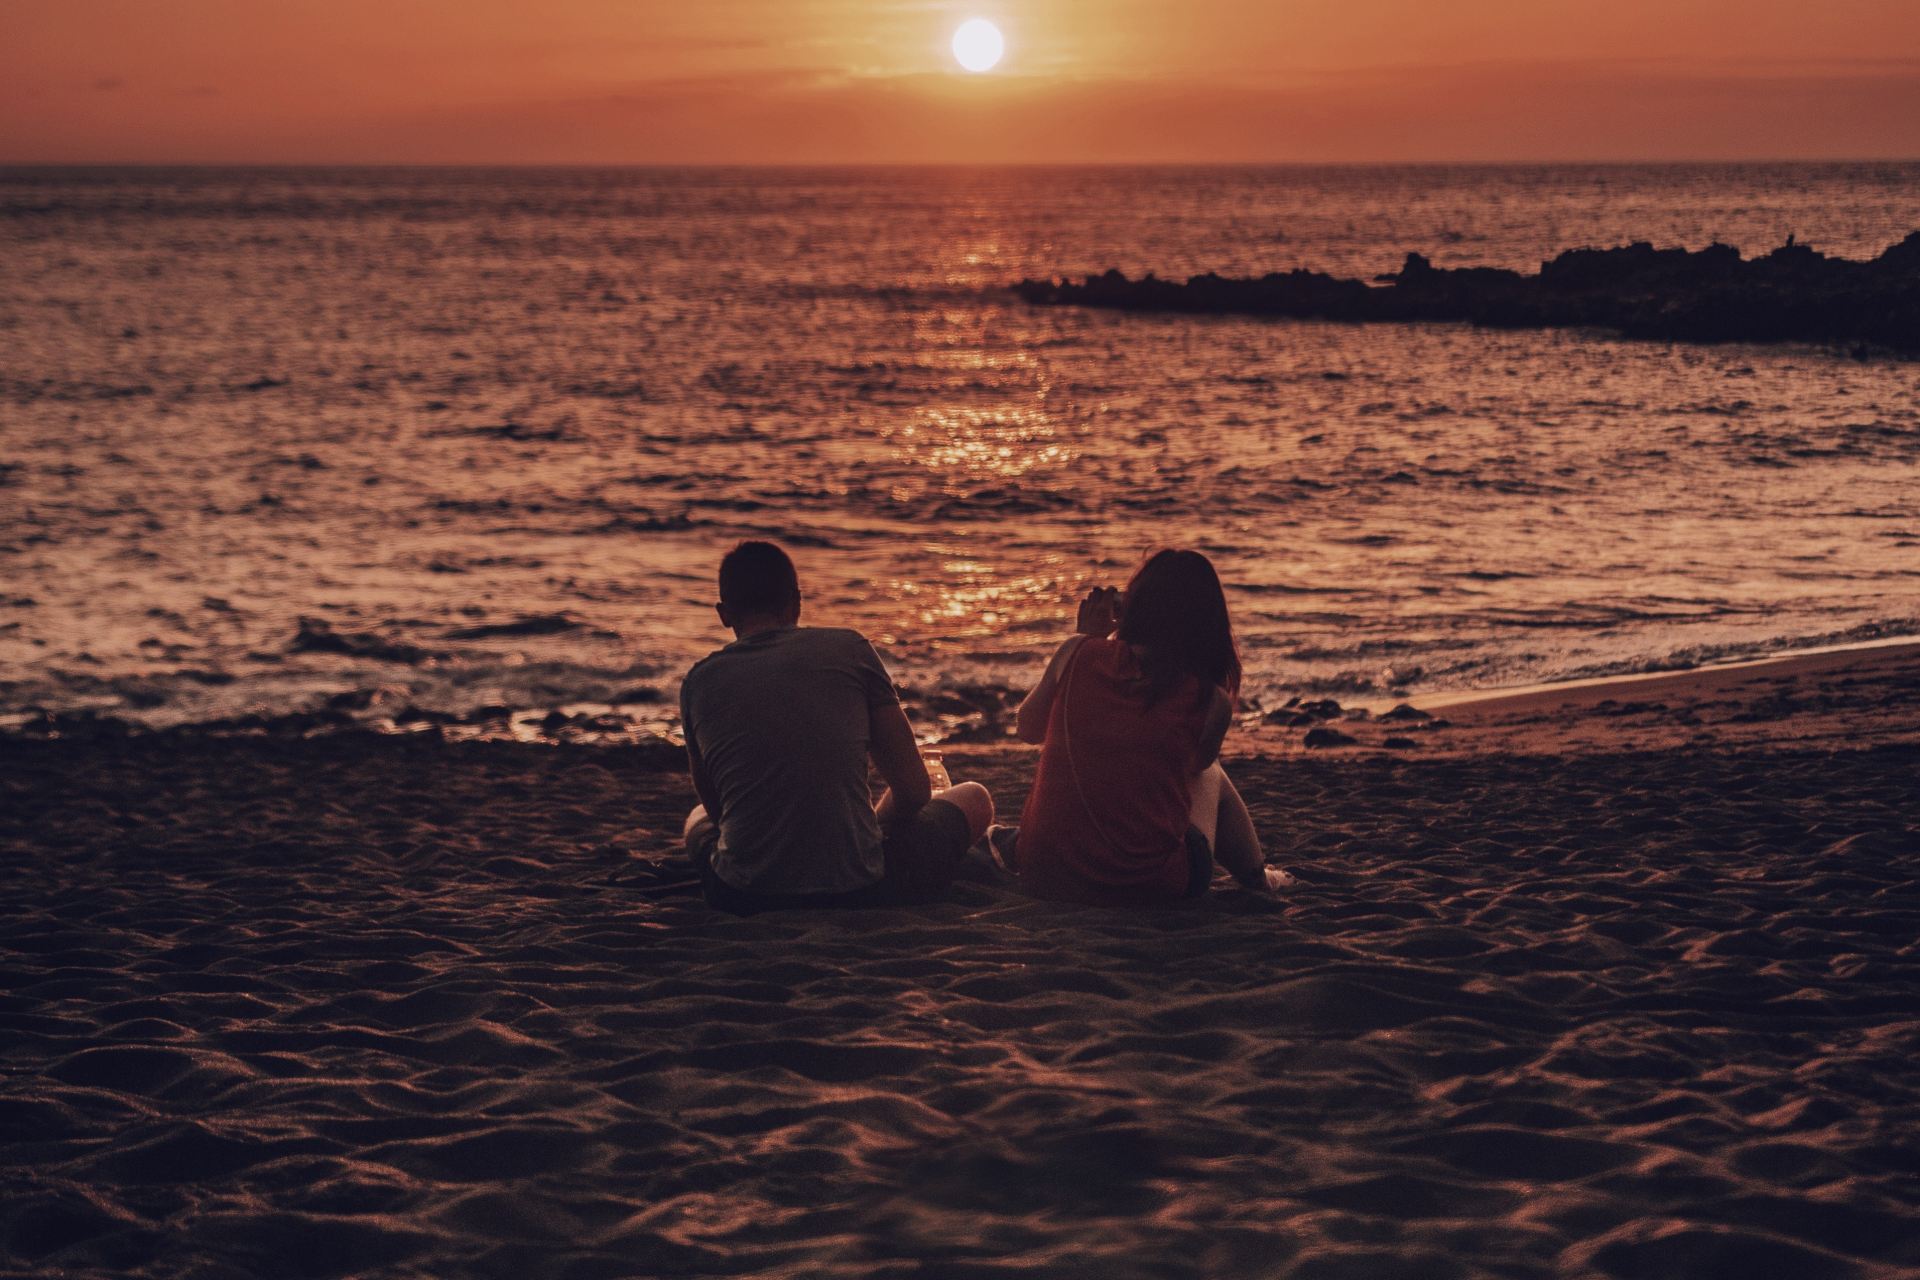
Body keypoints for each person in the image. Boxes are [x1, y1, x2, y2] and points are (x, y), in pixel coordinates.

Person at [679, 540, 993, 913]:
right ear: (796, 601)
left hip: (742, 896)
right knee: (974, 797)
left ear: (724, 613)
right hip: (860, 889)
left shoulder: (698, 682)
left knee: (695, 817)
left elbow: (719, 814)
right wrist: (872, 828)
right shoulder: (849, 650)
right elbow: (912, 791)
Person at [1002, 549, 1288, 906]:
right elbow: (1193, 769)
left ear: (1134, 606)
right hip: (1153, 885)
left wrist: (1087, 640)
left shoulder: (1078, 653)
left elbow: (1028, 729)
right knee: (1210, 771)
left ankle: (1257, 876)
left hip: (1046, 874)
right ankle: (1257, 878)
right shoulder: (1209, 699)